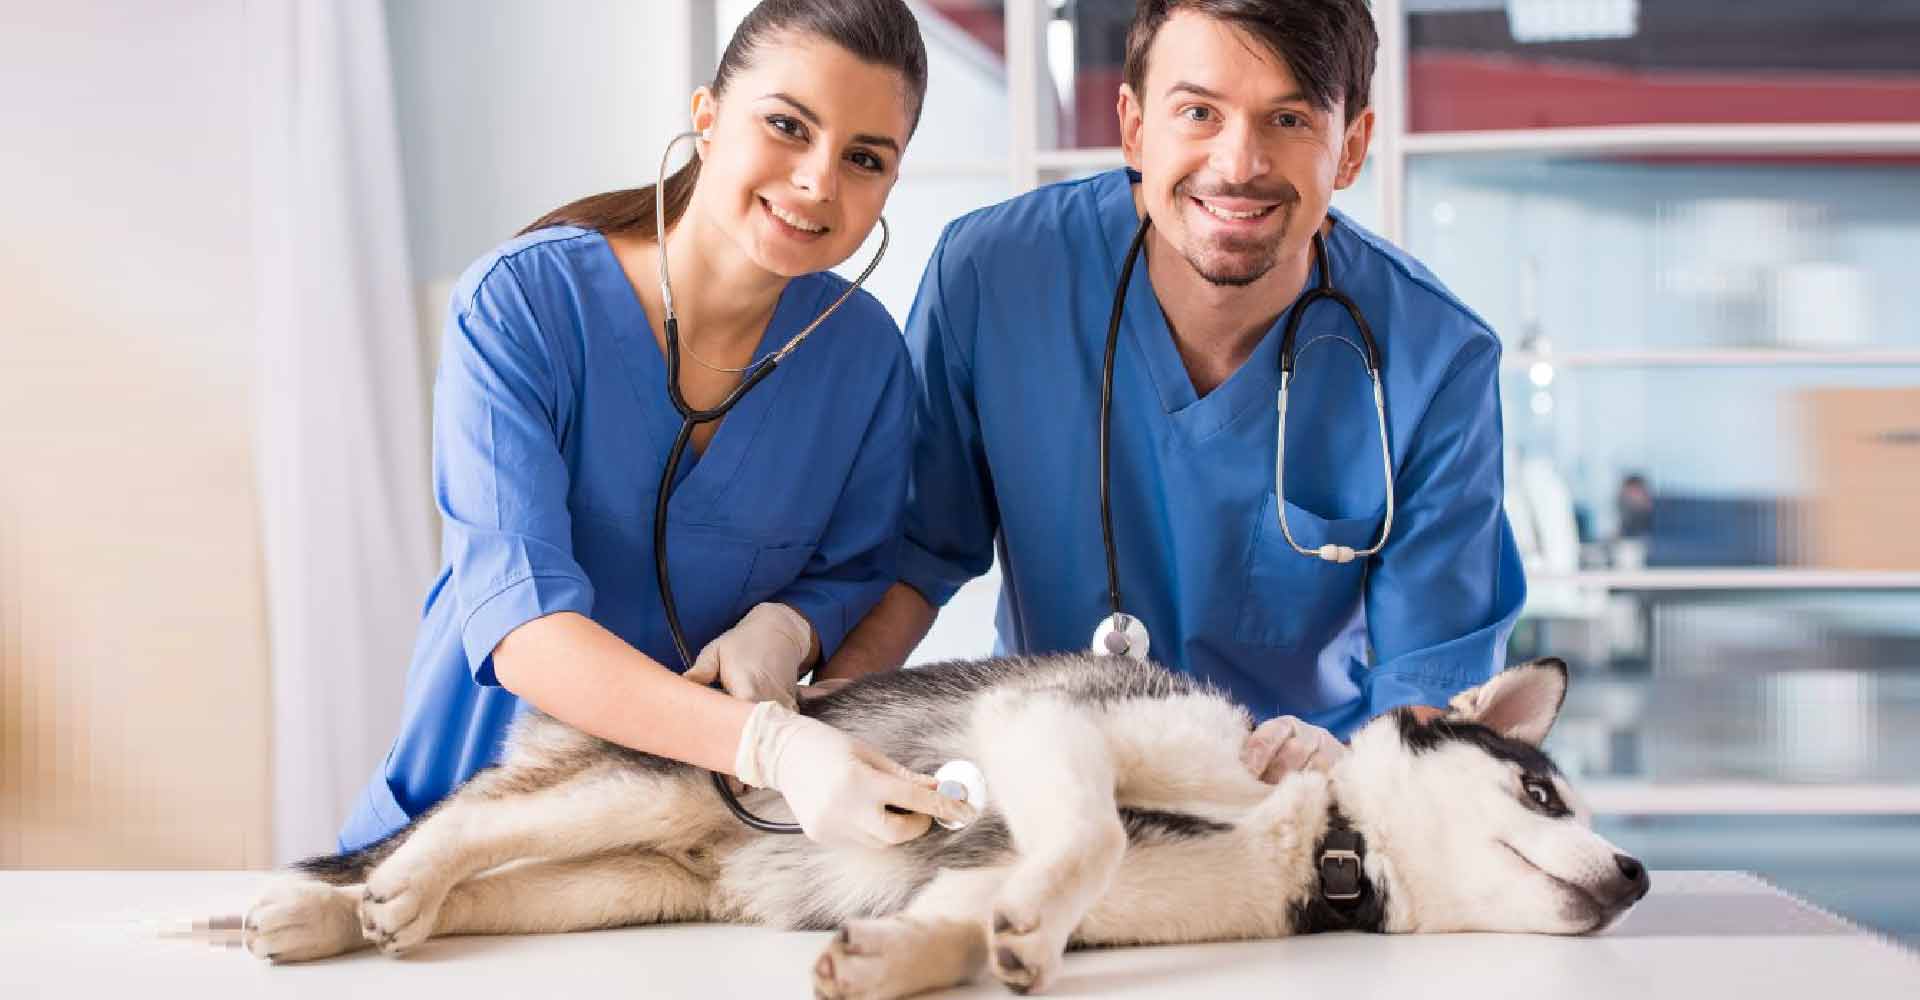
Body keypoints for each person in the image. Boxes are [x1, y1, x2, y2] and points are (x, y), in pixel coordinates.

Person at [825, 0, 1527, 779]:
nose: (1237, 164)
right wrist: (816, 741)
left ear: (1352, 146)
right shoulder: (993, 274)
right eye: (1198, 112)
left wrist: (1362, 781)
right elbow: (912, 556)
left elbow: (1429, 680)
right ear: (1133, 127)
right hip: (1052, 774)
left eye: (1288, 120)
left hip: (1296, 793)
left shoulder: (1436, 359)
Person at [340, 0, 966, 855]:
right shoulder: (521, 307)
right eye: (788, 126)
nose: (820, 181)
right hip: (465, 828)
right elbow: (520, 625)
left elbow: (853, 571)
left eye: (864, 158)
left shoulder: (864, 358)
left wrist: (790, 626)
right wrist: (768, 745)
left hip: (680, 847)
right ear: (707, 120)